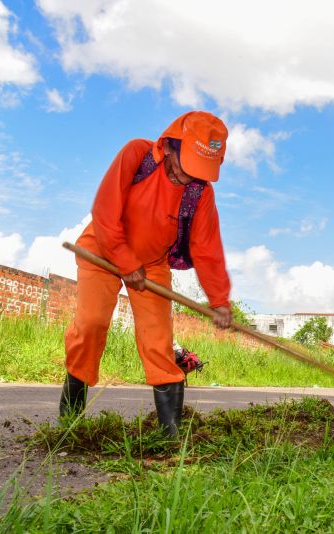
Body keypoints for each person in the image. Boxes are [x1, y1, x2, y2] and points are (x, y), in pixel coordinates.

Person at [59, 111, 232, 436]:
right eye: (186, 166)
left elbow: (208, 249)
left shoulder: (200, 194)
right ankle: (69, 421)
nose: (188, 177)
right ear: (170, 146)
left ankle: (170, 435)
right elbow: (105, 211)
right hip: (102, 250)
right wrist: (125, 261)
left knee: (159, 341)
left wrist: (219, 300)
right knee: (92, 324)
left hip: (152, 264)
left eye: (199, 171)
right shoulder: (137, 155)